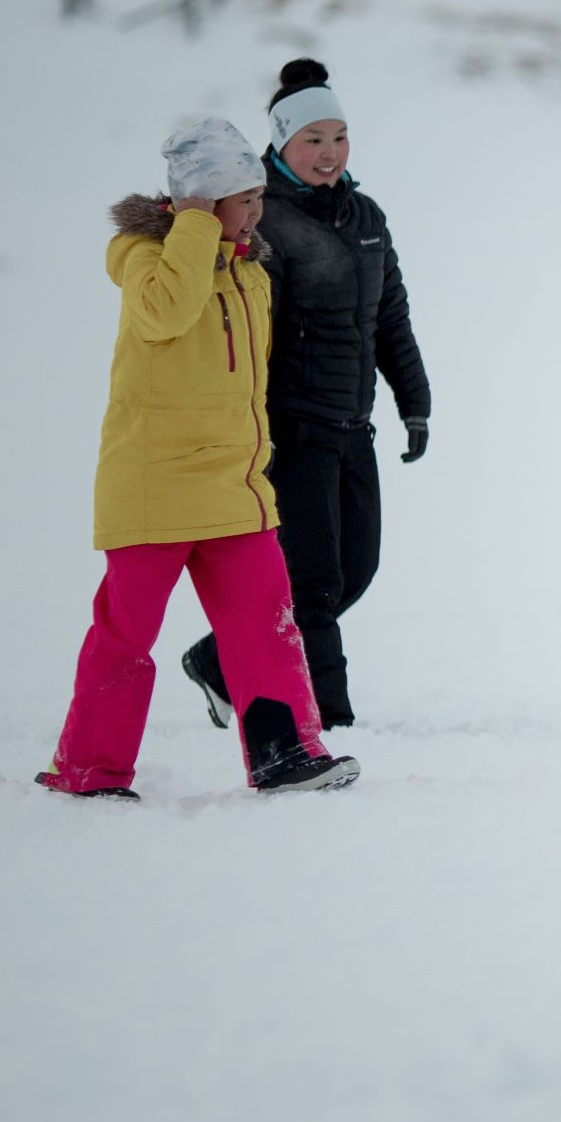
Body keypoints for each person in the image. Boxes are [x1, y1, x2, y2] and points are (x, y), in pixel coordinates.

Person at [37, 119, 358, 800]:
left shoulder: (250, 272)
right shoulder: (143, 258)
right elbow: (164, 314)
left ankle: (286, 755)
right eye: (242, 199)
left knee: (268, 628)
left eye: (257, 196)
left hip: (234, 487)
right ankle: (89, 770)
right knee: (125, 637)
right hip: (153, 488)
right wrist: (191, 228)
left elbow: (251, 383)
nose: (257, 210)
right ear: (202, 204)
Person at [180, 59, 429, 733]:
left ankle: (218, 661)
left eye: (339, 137)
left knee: (356, 568)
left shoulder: (366, 216)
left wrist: (414, 400)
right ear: (283, 143)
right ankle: (328, 721)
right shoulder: (268, 222)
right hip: (291, 428)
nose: (329, 152)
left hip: (354, 425)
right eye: (313, 138)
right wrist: (248, 430)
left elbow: (390, 318)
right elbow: (253, 334)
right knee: (315, 581)